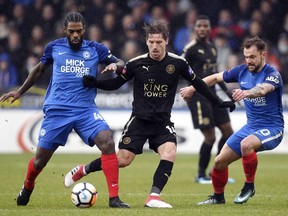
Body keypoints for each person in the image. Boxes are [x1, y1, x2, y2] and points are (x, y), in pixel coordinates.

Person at [63, 20, 235, 208]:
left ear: (166, 41)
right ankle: (83, 169)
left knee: (169, 152)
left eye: (159, 42)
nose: (155, 46)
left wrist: (218, 102)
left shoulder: (178, 63)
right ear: (146, 42)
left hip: (162, 122)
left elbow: (199, 83)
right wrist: (95, 82)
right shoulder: (136, 64)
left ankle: (153, 196)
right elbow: (115, 84)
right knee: (122, 160)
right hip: (139, 121)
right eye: (151, 42)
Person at [0, 12, 129, 208]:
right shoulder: (54, 47)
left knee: (107, 142)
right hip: (57, 110)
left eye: (78, 31)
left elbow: (121, 62)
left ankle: (114, 198)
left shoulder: (96, 49)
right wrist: (20, 91)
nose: (75, 35)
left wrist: (115, 66)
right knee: (39, 162)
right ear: (65, 31)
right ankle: (27, 186)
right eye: (71, 32)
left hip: (85, 110)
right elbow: (38, 70)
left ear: (84, 30)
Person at [180, 36, 284, 204]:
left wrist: (247, 93)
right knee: (220, 161)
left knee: (246, 145)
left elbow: (264, 89)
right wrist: (193, 88)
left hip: (272, 128)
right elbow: (214, 78)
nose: (248, 61)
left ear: (263, 54)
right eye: (246, 57)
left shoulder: (272, 74)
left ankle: (249, 186)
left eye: (252, 57)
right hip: (251, 127)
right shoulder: (241, 71)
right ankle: (218, 197)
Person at [182, 15, 235, 184]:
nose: (203, 28)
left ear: (210, 29)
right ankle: (200, 174)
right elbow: (178, 67)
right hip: (198, 96)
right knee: (210, 136)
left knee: (228, 132)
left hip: (213, 95)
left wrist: (228, 93)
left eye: (206, 25)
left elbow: (216, 74)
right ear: (195, 29)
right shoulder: (190, 49)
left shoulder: (213, 48)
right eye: (200, 26)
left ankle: (216, 170)